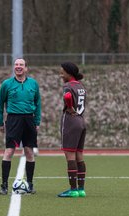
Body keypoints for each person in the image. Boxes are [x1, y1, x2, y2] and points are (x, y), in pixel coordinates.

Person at [0, 58, 41, 195]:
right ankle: (4, 185)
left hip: (29, 120)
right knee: (9, 151)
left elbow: (38, 103)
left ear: (26, 68)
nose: (18, 67)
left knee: (29, 152)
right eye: (16, 65)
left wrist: (37, 121)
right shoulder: (6, 84)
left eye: (21, 65)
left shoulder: (33, 84)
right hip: (13, 119)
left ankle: (30, 184)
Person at [57, 62, 87, 198]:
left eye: (62, 72)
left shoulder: (68, 86)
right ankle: (81, 189)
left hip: (71, 121)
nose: (60, 74)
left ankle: (73, 189)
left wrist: (69, 107)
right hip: (81, 120)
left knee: (70, 155)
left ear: (69, 73)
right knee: (79, 155)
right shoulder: (81, 86)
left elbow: (68, 97)